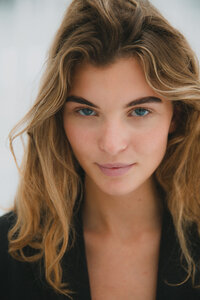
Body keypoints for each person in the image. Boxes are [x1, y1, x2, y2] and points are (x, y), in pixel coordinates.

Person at [0, 0, 200, 299]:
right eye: (86, 112)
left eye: (140, 112)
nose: (111, 144)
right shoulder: (8, 252)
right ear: (58, 118)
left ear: (177, 116)